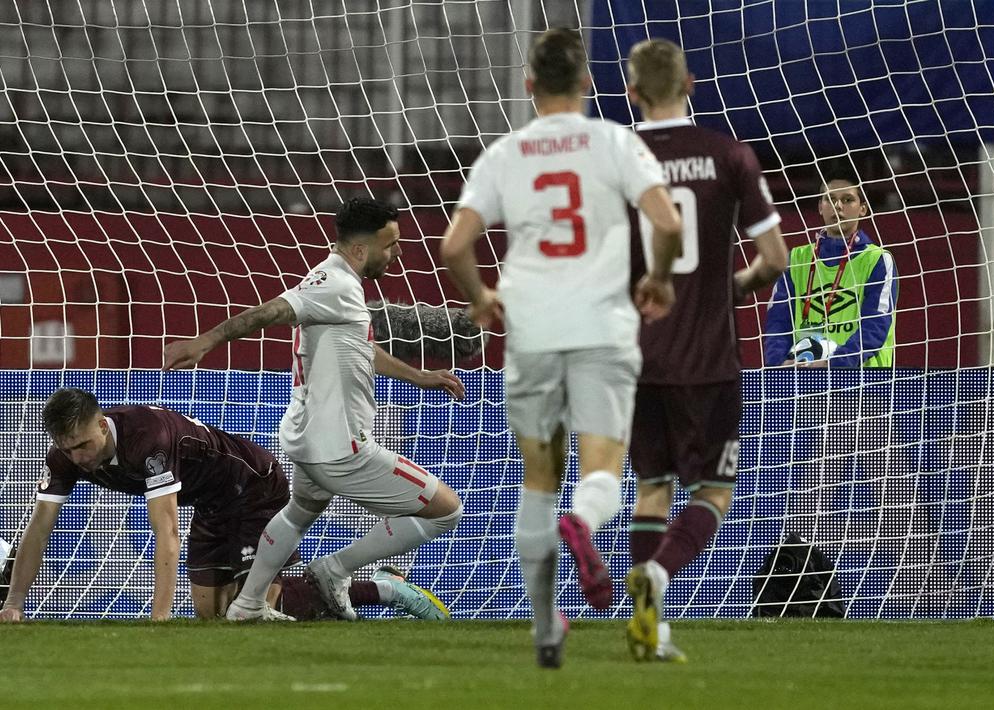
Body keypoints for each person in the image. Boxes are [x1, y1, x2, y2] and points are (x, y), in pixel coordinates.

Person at [440, 29, 682, 668]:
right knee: (602, 466)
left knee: (538, 477)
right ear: (589, 84)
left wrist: (481, 297)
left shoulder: (505, 153)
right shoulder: (615, 143)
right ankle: (585, 521)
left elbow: (454, 244)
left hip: (533, 329)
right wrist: (656, 277)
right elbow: (667, 221)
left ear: (528, 86)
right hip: (602, 326)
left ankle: (546, 629)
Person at [163, 197, 466, 623]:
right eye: (391, 244)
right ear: (361, 249)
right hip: (341, 448)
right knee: (446, 510)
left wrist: (420, 376)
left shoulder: (342, 286)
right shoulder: (333, 282)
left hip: (307, 442)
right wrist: (205, 342)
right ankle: (335, 569)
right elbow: (271, 312)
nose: (397, 252)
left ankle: (248, 605)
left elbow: (362, 347)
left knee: (298, 513)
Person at [621, 38, 789, 663]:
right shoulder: (729, 156)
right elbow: (773, 260)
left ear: (632, 91)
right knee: (715, 490)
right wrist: (734, 285)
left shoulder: (619, 158)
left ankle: (648, 626)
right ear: (691, 82)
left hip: (636, 356)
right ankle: (657, 580)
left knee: (650, 488)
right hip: (710, 359)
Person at [0, 388, 446, 622]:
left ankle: (385, 589)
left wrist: (160, 618)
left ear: (101, 424)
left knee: (253, 610)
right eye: (68, 448)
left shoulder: (147, 439)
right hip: (211, 502)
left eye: (83, 444)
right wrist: (14, 602)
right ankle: (367, 586)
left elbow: (167, 532)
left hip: (253, 485)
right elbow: (39, 528)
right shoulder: (65, 456)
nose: (78, 457)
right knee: (215, 616)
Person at [762, 176, 897, 368]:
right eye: (830, 199)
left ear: (863, 209)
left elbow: (875, 326)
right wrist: (779, 364)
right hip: (805, 381)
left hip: (864, 386)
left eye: (847, 200)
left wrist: (833, 365)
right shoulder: (796, 259)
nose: (837, 206)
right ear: (820, 206)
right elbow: (778, 320)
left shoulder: (878, 260)